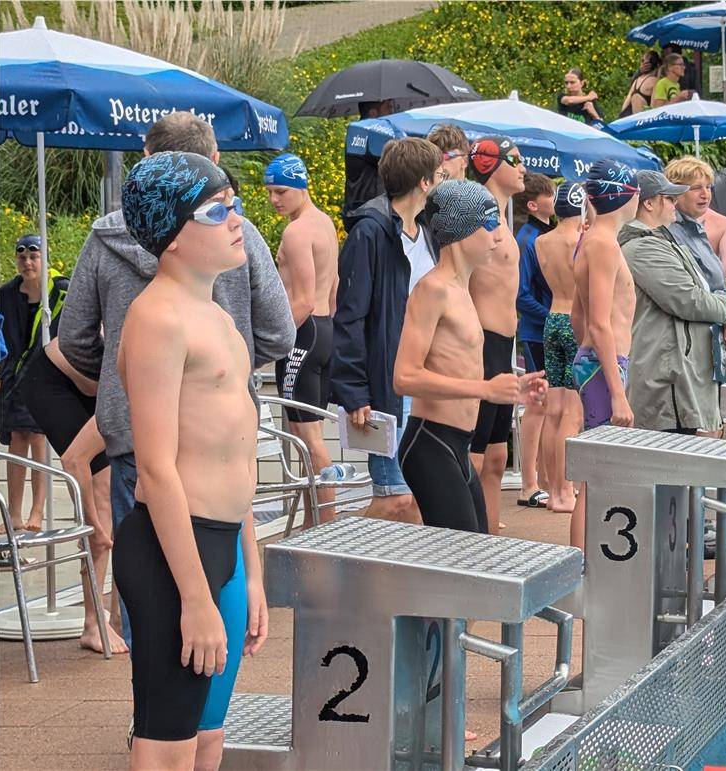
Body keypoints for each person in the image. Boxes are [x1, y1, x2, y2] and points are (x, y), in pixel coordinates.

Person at [57, 112, 294, 652]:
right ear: (212, 158)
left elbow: (75, 339)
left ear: (146, 158)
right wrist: (216, 379)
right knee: (174, 624)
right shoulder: (179, 297)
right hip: (207, 451)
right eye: (218, 207)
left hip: (139, 438)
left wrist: (122, 383)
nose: (230, 216)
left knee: (169, 630)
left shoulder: (107, 238)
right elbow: (279, 331)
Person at [114, 151, 268, 771]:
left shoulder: (217, 315)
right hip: (173, 554)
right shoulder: (156, 318)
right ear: (172, 235)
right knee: (167, 746)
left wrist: (250, 572)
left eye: (233, 203)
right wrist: (196, 599)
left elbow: (237, 455)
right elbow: (155, 470)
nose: (235, 219)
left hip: (223, 548)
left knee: (208, 739)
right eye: (215, 210)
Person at [394, 180, 547, 533]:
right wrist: (485, 390)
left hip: (458, 445)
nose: (498, 236)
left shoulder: (463, 289)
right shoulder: (432, 290)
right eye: (489, 224)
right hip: (430, 443)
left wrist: (513, 388)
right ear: (461, 232)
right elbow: (404, 377)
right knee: (461, 556)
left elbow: (457, 363)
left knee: (476, 548)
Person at [332, 137, 442, 524]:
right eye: (439, 175)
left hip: (426, 378)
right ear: (424, 182)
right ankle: (342, 549)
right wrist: (354, 391)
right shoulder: (370, 232)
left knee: (417, 497)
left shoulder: (428, 230)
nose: (442, 181)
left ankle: (406, 564)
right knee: (394, 497)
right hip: (389, 382)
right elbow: (350, 315)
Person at [18, 336, 129, 654]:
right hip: (51, 382)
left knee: (120, 490)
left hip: (93, 385)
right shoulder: (125, 395)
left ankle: (120, 615)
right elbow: (73, 460)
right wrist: (94, 527)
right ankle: (93, 624)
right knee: (102, 497)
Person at [623, 170, 726, 435]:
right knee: (667, 454)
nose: (674, 203)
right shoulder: (643, 247)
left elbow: (711, 285)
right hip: (666, 376)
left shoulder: (663, 239)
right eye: (668, 198)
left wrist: (725, 307)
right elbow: (688, 299)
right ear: (648, 203)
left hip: (679, 372)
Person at [264, 152, 339, 526]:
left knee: (307, 437)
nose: (274, 199)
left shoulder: (296, 232)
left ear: (300, 186)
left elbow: (303, 300)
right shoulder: (324, 223)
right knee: (307, 432)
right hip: (322, 331)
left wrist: (272, 345)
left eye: (281, 191)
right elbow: (333, 286)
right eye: (269, 192)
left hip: (302, 336)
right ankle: (315, 521)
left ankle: (326, 524)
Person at [570, 159, 640, 549]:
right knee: (597, 476)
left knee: (600, 472)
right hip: (603, 367)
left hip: (598, 364)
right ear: (625, 196)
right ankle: (584, 566)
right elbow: (597, 323)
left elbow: (579, 316)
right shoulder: (603, 244)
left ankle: (587, 565)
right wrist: (616, 391)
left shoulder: (591, 239)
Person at [463, 135, 527, 534]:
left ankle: (488, 535)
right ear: (491, 164)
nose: (523, 168)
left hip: (503, 346)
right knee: (475, 453)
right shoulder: (477, 212)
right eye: (515, 160)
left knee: (498, 455)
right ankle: (464, 535)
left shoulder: (501, 215)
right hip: (483, 343)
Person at [0, 234, 63, 533]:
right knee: (16, 439)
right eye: (22, 257)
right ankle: (13, 514)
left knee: (38, 439)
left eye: (34, 256)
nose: (27, 262)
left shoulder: (59, 292)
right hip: (14, 378)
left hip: (44, 375)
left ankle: (37, 510)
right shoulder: (6, 295)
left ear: (44, 259)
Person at [535, 183, 585, 513]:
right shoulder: (579, 240)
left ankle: (553, 490)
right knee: (572, 412)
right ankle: (566, 491)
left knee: (552, 410)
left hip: (552, 319)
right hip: (574, 322)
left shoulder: (542, 241)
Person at [514, 172, 556, 508]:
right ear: (532, 204)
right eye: (550, 195)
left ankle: (543, 479)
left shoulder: (546, 234)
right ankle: (528, 483)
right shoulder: (527, 238)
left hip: (548, 329)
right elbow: (521, 294)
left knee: (551, 405)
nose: (555, 199)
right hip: (535, 331)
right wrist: (554, 317)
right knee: (537, 403)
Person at [664, 157, 726, 295]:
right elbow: (687, 292)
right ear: (675, 191)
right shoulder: (669, 229)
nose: (705, 195)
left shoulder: (695, 225)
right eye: (696, 188)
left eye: (708, 187)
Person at [342, 99, 396, 224]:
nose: (392, 113)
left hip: (359, 211)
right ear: (373, 113)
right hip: (370, 215)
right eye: (388, 108)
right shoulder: (371, 137)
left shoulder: (356, 133)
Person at [618, 50, 660, 117]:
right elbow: (654, 109)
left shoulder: (636, 81)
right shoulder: (655, 82)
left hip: (629, 119)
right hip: (642, 120)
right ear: (658, 65)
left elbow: (624, 107)